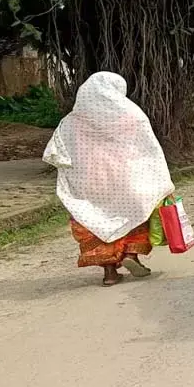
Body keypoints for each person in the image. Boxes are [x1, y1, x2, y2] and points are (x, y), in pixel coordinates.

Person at [43, 72, 175, 287]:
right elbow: (149, 150)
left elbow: (53, 153)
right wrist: (160, 178)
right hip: (127, 179)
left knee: (96, 222)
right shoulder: (132, 115)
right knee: (134, 215)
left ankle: (110, 273)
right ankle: (131, 255)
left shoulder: (71, 121)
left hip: (90, 183)